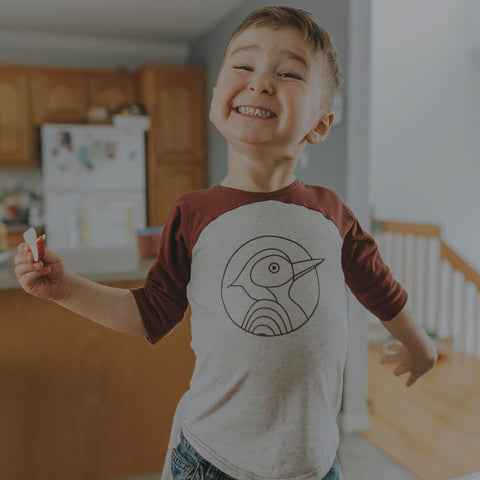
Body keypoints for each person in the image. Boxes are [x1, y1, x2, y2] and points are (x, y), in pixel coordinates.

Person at [15, 6, 438, 480]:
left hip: (315, 464)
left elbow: (380, 286)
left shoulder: (332, 212)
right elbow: (152, 313)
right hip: (212, 460)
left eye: (288, 72)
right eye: (243, 65)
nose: (260, 82)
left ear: (320, 124)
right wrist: (66, 288)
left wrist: (418, 344)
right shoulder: (192, 213)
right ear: (216, 99)